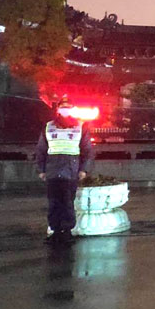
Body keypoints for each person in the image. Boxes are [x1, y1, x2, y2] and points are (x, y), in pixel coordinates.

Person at [36, 100, 93, 244]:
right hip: (53, 170)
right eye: (63, 107)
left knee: (68, 202)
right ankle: (55, 231)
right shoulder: (48, 126)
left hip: (70, 171)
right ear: (58, 110)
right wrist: (41, 170)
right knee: (53, 202)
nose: (65, 110)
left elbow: (87, 150)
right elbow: (41, 149)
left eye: (68, 108)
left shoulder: (81, 127)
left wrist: (83, 169)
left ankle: (67, 231)